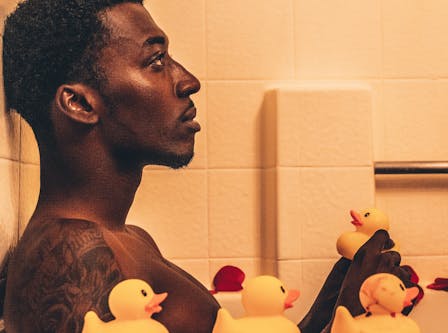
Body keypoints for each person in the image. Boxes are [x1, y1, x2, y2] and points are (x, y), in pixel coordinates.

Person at [1, 1, 418, 332]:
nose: (187, 80)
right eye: (155, 61)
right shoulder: (73, 257)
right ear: (80, 104)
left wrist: (339, 301)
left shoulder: (127, 240)